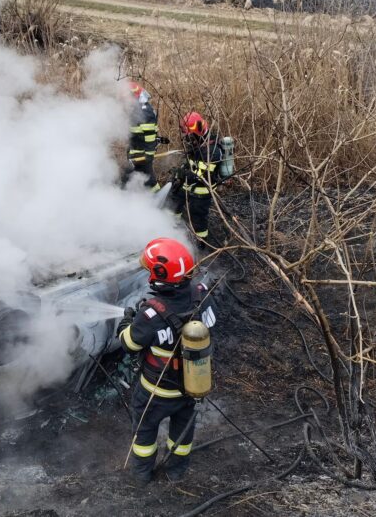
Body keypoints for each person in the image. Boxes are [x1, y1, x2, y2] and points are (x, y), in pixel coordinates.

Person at [116, 237, 217, 485]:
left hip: (155, 392)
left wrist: (127, 321)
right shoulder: (201, 295)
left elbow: (129, 344)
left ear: (159, 274)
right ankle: (176, 472)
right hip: (191, 387)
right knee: (181, 436)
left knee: (145, 433)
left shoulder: (151, 314)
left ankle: (141, 476)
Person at [169, 111, 232, 244]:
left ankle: (200, 245)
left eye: (190, 136)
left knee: (198, 219)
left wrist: (182, 174)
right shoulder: (198, 144)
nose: (187, 139)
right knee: (173, 201)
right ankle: (170, 229)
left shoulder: (212, 151)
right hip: (189, 184)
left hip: (202, 191)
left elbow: (201, 176)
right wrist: (179, 174)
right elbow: (190, 164)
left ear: (198, 132)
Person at [125, 81, 169, 191]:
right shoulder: (136, 109)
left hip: (142, 156)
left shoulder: (144, 112)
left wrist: (148, 155)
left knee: (147, 180)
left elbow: (149, 135)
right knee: (139, 179)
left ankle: (159, 202)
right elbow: (139, 133)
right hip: (136, 154)